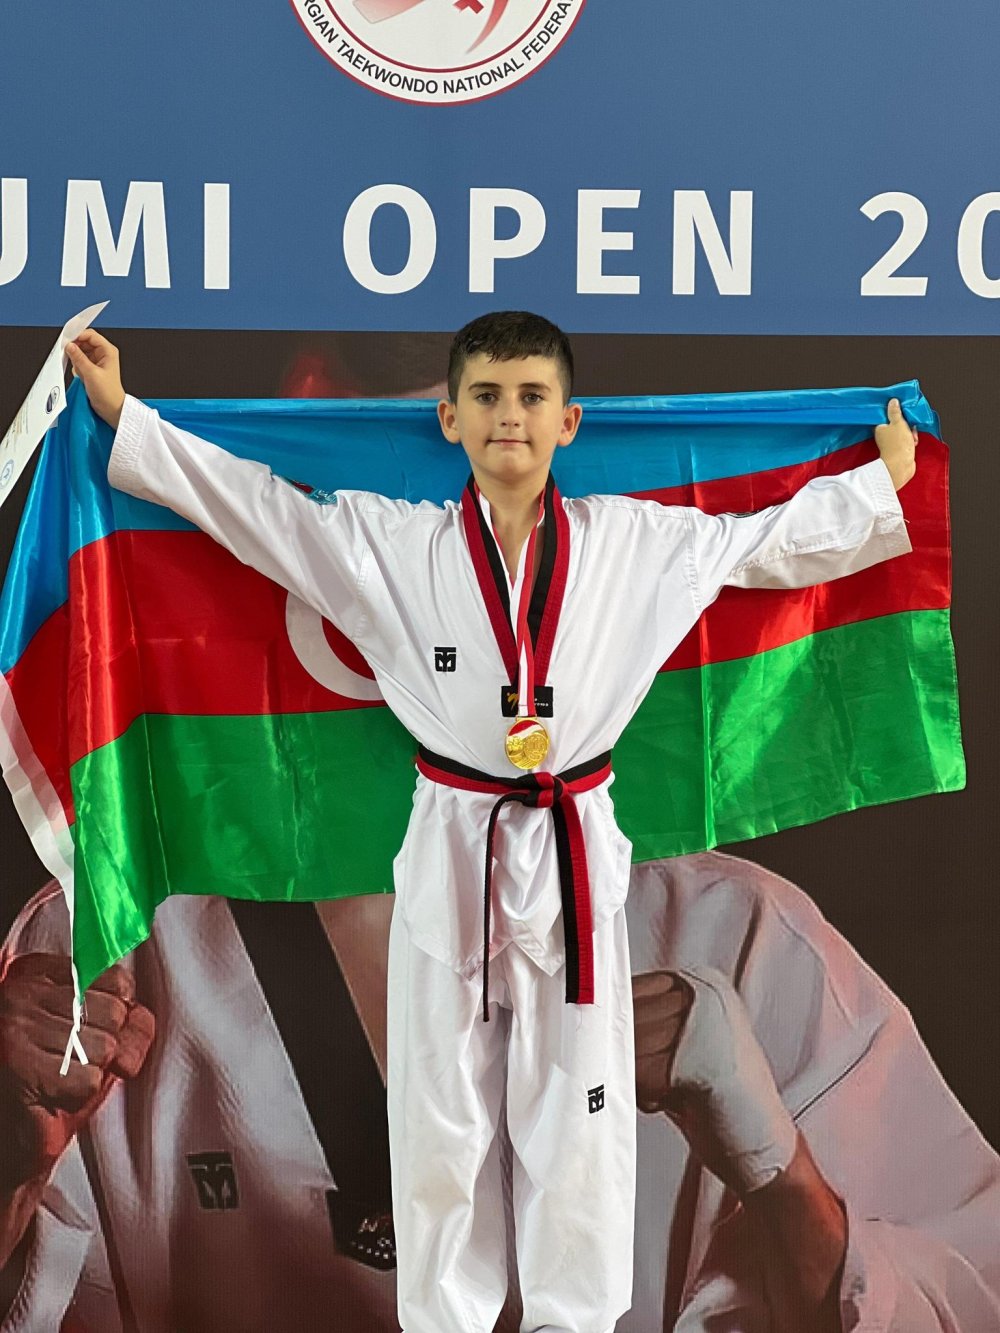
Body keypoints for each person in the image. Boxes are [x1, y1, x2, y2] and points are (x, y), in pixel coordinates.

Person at [64, 311, 918, 1333]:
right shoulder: (394, 545)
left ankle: (571, 1318)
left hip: (571, 844)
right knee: (446, 1104)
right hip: (455, 837)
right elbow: (260, 513)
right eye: (486, 397)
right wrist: (129, 418)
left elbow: (762, 542)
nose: (509, 418)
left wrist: (877, 488)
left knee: (575, 1102)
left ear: (569, 421)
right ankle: (447, 1319)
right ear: (451, 419)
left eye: (530, 397)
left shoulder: (635, 542)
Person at [2, 855, 998, 1332]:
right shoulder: (110, 948)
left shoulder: (736, 933)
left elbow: (966, 1305)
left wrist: (780, 1173)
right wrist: (14, 1154)